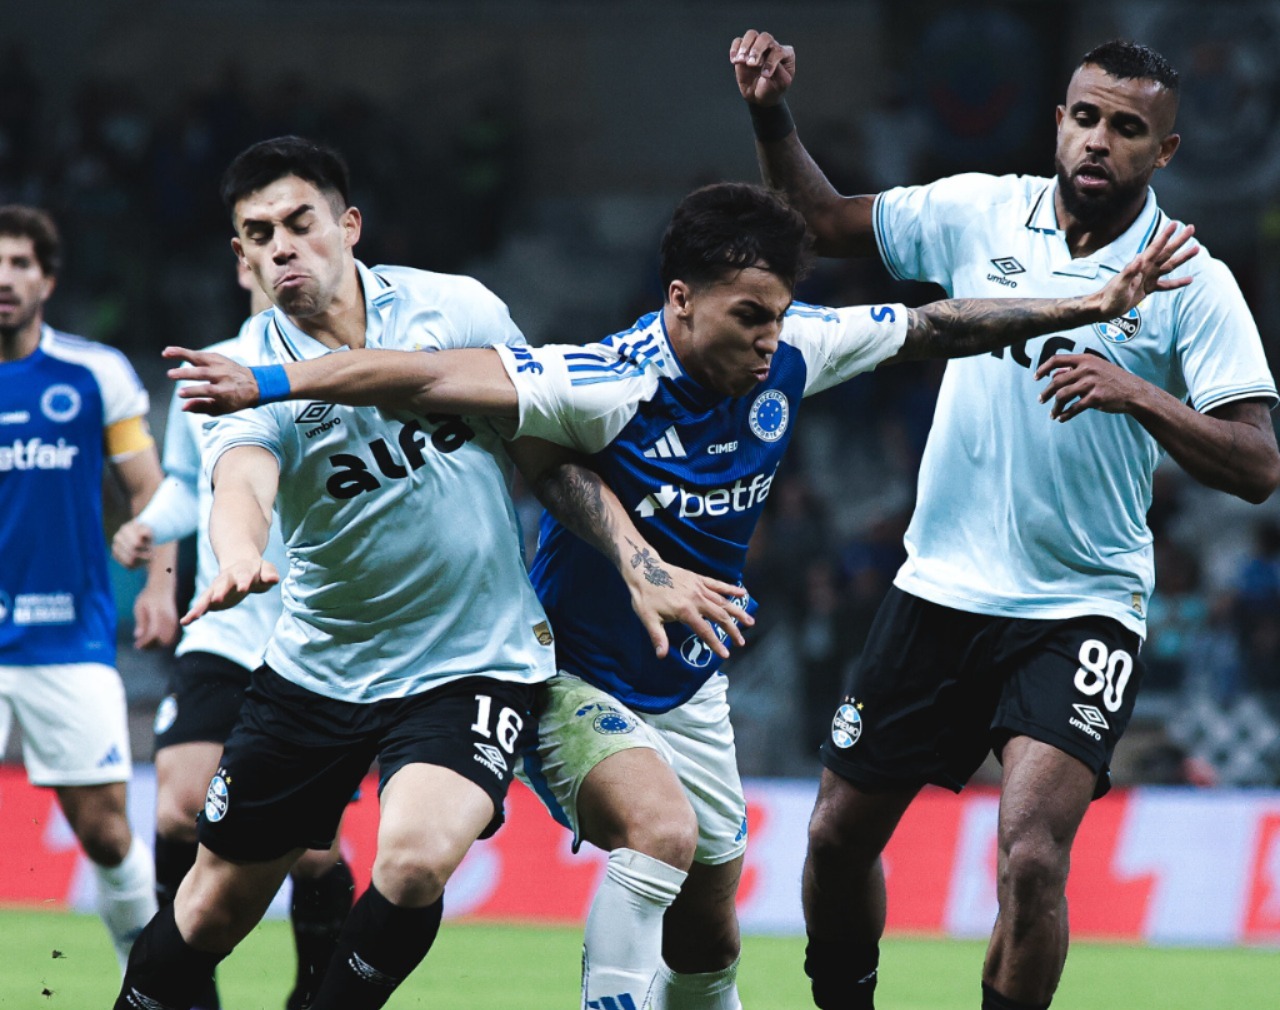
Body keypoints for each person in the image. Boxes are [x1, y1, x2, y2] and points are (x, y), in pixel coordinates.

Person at [167, 180, 1194, 1010]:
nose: (766, 337)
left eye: (777, 315)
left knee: (708, 927)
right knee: (656, 833)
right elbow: (429, 378)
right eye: (746, 315)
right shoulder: (603, 378)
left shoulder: (795, 348)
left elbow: (939, 324)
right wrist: (265, 384)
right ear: (678, 302)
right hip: (561, 670)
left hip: (686, 685)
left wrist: (1087, 304)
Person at [111, 136, 742, 1010]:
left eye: (301, 222)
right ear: (241, 255)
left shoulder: (458, 308)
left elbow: (542, 454)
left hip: (473, 662)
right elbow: (240, 484)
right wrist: (244, 551)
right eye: (260, 234)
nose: (283, 245)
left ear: (350, 226)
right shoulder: (242, 375)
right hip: (320, 667)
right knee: (213, 906)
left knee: (411, 861)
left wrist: (637, 560)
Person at [730, 32, 1280, 1010]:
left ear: (1165, 150)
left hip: (1081, 606)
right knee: (831, 837)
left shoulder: (1191, 280)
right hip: (936, 585)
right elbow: (814, 216)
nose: (1097, 140)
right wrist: (770, 110)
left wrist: (1139, 395)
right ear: (1058, 121)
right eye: (1083, 116)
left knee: (1029, 858)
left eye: (1125, 126)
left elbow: (1256, 465)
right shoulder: (972, 210)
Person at [112, 258, 354, 1010]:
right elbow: (187, 483)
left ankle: (313, 989)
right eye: (258, 239)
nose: (277, 259)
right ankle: (189, 986)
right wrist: (151, 527)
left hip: (312, 642)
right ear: (241, 256)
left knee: (315, 853)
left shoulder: (342, 373)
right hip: (223, 629)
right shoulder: (207, 376)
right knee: (178, 803)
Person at [0, 205, 176, 970]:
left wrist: (159, 585)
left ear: (48, 279)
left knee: (106, 834)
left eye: (19, 265)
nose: (3, 280)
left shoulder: (93, 374)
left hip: (66, 637)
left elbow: (148, 489)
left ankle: (157, 986)